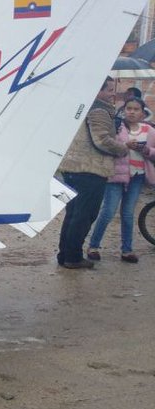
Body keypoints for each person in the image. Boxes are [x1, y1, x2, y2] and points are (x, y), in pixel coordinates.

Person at [56, 77, 130, 269]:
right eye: (109, 90)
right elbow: (102, 140)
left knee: (73, 214)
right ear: (97, 90)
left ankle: (65, 255)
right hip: (90, 170)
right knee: (84, 215)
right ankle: (73, 257)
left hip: (73, 169)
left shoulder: (83, 106)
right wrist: (122, 149)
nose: (112, 93)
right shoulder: (99, 110)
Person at [86, 97, 155, 263]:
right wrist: (126, 146)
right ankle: (93, 246)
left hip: (137, 176)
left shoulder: (149, 130)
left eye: (136, 109)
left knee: (128, 214)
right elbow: (108, 145)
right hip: (116, 175)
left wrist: (144, 149)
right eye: (129, 108)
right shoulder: (117, 127)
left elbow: (153, 152)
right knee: (108, 211)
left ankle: (127, 250)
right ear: (124, 110)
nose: (131, 112)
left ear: (143, 112)